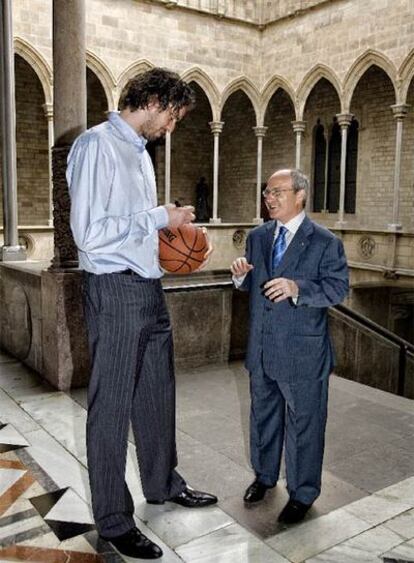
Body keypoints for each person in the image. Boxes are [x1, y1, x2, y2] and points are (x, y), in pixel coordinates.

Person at [67, 68, 217, 560]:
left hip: (148, 288)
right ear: (153, 100)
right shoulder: (95, 146)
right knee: (110, 409)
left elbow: (127, 226)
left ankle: (162, 482)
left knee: (157, 394)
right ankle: (113, 520)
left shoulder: (138, 152)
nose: (171, 128)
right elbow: (89, 234)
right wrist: (159, 218)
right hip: (113, 292)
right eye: (172, 116)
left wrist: (171, 228)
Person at [231, 169, 348, 524]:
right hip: (263, 350)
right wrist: (240, 275)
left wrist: (298, 289)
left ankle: (303, 492)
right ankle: (264, 477)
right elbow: (256, 285)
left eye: (277, 192)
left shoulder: (325, 242)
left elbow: (338, 288)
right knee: (263, 419)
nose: (269, 198)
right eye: (267, 192)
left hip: (303, 354)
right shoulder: (259, 236)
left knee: (304, 426)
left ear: (300, 195)